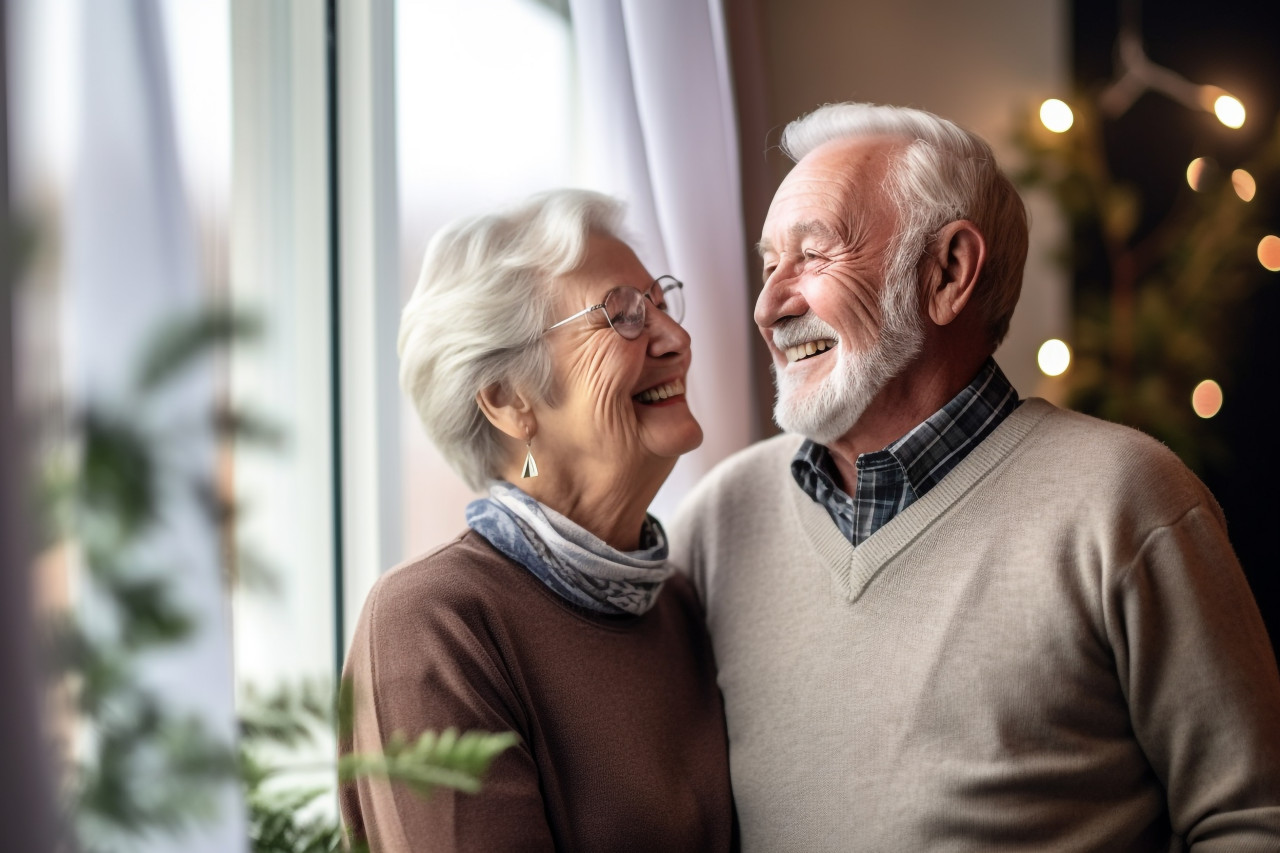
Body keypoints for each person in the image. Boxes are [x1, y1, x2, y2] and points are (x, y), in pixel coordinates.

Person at [671, 102, 1280, 851]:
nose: (769, 305)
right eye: (769, 264)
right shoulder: (715, 523)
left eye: (815, 255)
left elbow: (1251, 820)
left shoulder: (1128, 499)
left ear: (949, 271)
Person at [340, 189, 735, 852]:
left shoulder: (678, 602)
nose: (677, 338)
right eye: (625, 316)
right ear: (509, 400)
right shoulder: (432, 622)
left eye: (662, 303)